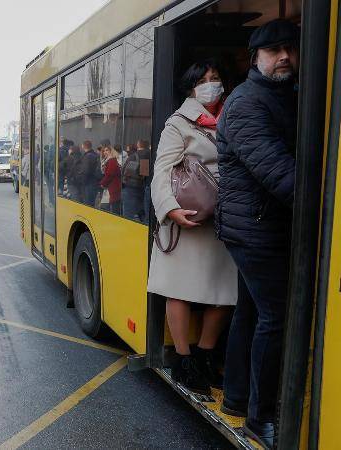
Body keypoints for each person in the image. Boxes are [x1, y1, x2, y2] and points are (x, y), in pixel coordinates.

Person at [216, 19, 299, 447]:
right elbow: (282, 176)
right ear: (255, 59)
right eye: (274, 50)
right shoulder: (248, 103)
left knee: (250, 312)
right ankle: (259, 417)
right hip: (257, 230)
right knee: (277, 317)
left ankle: (236, 397)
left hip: (259, 224)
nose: (284, 56)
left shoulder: (282, 95)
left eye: (290, 48)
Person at [148, 60, 238, 397]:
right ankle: (183, 360)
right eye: (203, 80)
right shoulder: (178, 123)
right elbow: (161, 171)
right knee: (181, 289)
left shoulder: (233, 116)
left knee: (225, 293)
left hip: (226, 217)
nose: (211, 84)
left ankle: (203, 355)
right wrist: (170, 209)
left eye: (216, 78)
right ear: (190, 88)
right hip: (188, 217)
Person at [98, 144, 122, 214]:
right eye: (104, 151)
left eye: (107, 150)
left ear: (111, 151)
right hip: (111, 187)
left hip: (113, 187)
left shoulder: (112, 160)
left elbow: (109, 174)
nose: (105, 152)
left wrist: (102, 183)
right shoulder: (109, 160)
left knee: (113, 207)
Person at [78, 140, 101, 206]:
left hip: (88, 183)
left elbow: (86, 171)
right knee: (91, 202)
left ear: (83, 146)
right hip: (95, 182)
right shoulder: (96, 155)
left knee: (88, 203)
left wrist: (82, 181)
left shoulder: (88, 156)